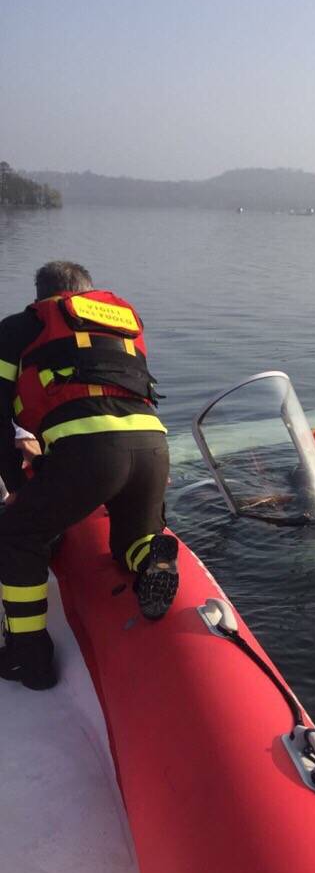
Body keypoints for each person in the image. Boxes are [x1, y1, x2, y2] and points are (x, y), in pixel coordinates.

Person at [0, 261, 179, 690]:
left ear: (41, 295)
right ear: (91, 294)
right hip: (153, 447)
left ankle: (29, 657)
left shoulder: (20, 327)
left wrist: (18, 487)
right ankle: (149, 555)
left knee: (17, 534)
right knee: (129, 543)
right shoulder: (121, 326)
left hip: (89, 455)